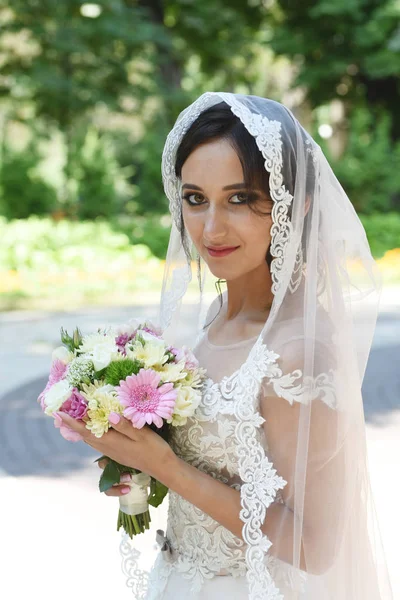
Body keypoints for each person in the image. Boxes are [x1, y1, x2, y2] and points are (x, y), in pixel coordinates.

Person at [60, 92, 393, 599]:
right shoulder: (214, 317)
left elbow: (316, 546)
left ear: (293, 205)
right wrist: (128, 448)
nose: (211, 229)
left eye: (239, 198)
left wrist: (164, 466)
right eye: (195, 199)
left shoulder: (298, 353)